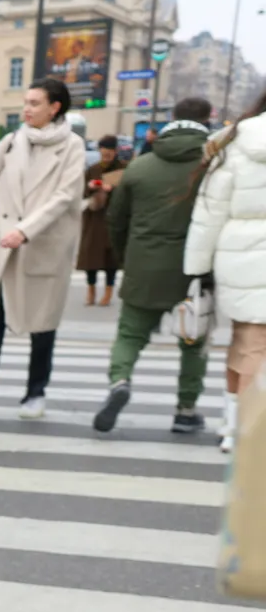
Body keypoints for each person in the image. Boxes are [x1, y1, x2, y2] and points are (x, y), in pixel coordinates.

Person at [0, 77, 85, 428]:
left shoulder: (72, 146)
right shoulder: (11, 142)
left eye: (35, 103)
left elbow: (65, 197)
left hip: (45, 248)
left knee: (42, 325)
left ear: (55, 107)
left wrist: (25, 231)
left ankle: (35, 391)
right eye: (25, 102)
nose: (26, 109)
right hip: (5, 248)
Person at [92, 98, 214, 435]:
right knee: (194, 339)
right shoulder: (212, 165)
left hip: (143, 263)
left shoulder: (140, 167)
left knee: (130, 334)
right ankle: (185, 410)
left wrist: (125, 257)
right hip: (195, 270)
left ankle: (120, 381)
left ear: (171, 119)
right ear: (208, 120)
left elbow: (116, 220)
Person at [186, 84, 266, 453]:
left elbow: (211, 210)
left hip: (239, 256)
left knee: (247, 342)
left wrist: (197, 268)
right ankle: (245, 429)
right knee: (255, 346)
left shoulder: (236, 142)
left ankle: (233, 424)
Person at [78, 133, 126, 306]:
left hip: (113, 218)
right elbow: (81, 192)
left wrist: (112, 189)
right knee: (90, 258)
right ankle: (90, 291)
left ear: (115, 151)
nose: (107, 155)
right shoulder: (93, 169)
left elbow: (129, 192)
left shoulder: (123, 168)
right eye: (104, 152)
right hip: (94, 219)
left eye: (110, 152)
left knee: (110, 259)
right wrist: (90, 187)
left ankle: (108, 292)